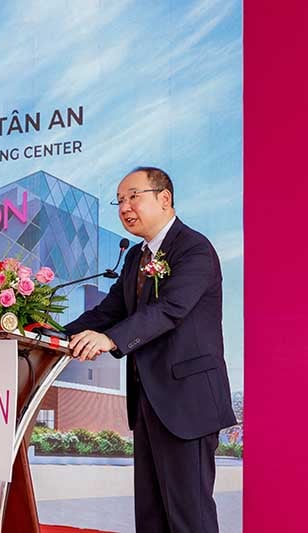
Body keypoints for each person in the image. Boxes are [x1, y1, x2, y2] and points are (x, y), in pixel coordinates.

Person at [64, 167, 236, 533]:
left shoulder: (194, 248)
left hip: (187, 402)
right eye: (120, 201)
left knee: (190, 518)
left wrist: (110, 340)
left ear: (164, 198)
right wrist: (50, 335)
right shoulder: (135, 258)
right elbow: (107, 312)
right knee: (152, 516)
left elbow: (170, 309)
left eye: (133, 197)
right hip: (148, 403)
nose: (125, 207)